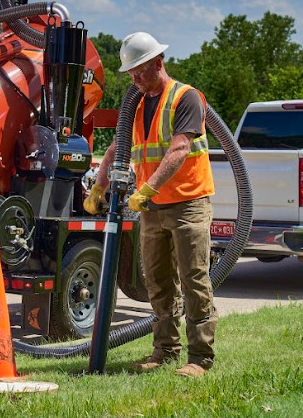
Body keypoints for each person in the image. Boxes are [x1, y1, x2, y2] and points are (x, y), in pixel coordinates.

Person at [84, 32, 217, 378]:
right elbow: (116, 147)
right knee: (157, 282)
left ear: (159, 63)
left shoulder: (186, 98)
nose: (136, 79)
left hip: (187, 203)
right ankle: (165, 350)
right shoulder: (137, 103)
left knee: (193, 280)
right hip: (154, 209)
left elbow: (179, 150)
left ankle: (200, 357)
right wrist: (97, 188)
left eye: (141, 71)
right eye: (130, 74)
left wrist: (145, 190)